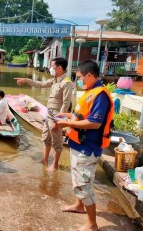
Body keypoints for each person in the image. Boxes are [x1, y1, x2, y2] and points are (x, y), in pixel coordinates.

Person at [56, 60, 113, 231]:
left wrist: (66, 124)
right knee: (78, 180)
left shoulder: (100, 95)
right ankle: (78, 205)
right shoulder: (90, 91)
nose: (78, 80)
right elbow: (80, 115)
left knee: (84, 185)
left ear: (89, 75)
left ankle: (92, 224)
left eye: (80, 77)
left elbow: (94, 123)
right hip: (78, 144)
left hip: (88, 148)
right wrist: (64, 115)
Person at [14, 57, 73, 171]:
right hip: (48, 114)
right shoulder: (55, 80)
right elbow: (40, 84)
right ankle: (45, 159)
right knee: (46, 138)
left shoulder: (66, 83)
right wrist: (26, 80)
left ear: (59, 68)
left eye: (52, 67)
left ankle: (55, 165)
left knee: (57, 142)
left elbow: (66, 104)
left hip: (56, 116)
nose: (50, 69)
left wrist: (58, 122)